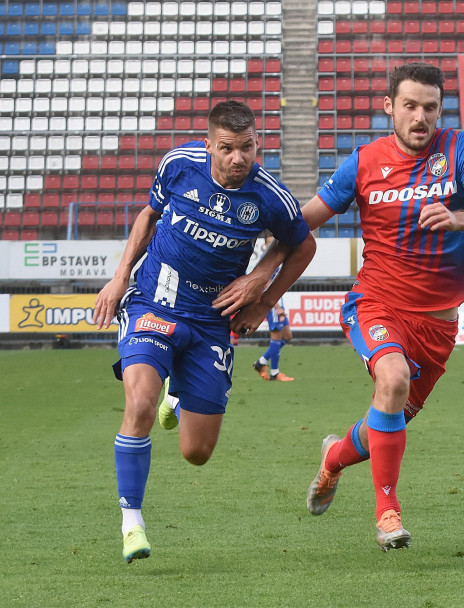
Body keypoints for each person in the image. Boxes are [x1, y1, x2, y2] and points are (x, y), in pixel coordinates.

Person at [239, 61, 464, 552]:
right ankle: (388, 514)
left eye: (430, 107)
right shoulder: (364, 162)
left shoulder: (459, 150)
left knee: (387, 419)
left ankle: (332, 459)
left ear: (440, 110)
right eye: (410, 106)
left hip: (437, 326)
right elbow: (303, 223)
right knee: (392, 379)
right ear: (389, 106)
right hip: (377, 303)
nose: (420, 117)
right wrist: (262, 280)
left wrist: (458, 217)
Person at [93, 100, 316, 564]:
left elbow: (302, 245)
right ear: (210, 145)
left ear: (258, 143)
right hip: (154, 301)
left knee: (197, 452)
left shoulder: (270, 197)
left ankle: (177, 394)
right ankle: (132, 523)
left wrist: (262, 293)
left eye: (248, 147)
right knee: (139, 403)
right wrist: (119, 276)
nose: (239, 158)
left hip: (212, 320)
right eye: (228, 148)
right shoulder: (179, 164)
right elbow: (149, 215)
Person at [250, 236, 295, 381]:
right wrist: (277, 307)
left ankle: (261, 362)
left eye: (274, 241)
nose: (272, 244)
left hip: (277, 299)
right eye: (269, 242)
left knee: (287, 336)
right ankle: (275, 372)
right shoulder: (267, 260)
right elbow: (265, 284)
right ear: (265, 244)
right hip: (270, 301)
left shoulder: (276, 257)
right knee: (276, 334)